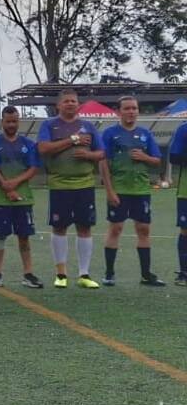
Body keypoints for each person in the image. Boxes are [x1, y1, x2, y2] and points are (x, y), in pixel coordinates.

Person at [36, 87, 104, 289]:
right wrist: (73, 140)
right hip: (59, 184)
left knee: (85, 227)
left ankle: (84, 274)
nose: (70, 104)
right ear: (58, 105)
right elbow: (43, 149)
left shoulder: (88, 126)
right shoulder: (49, 125)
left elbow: (101, 153)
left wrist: (88, 156)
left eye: (73, 101)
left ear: (78, 104)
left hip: (85, 184)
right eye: (66, 101)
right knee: (59, 227)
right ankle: (61, 274)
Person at [100, 97, 164, 286]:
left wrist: (144, 157)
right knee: (116, 228)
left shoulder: (145, 134)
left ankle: (146, 274)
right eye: (127, 108)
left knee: (143, 229)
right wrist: (109, 190)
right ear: (119, 111)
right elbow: (103, 163)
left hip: (141, 190)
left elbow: (157, 161)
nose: (131, 111)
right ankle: (109, 273)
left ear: (138, 111)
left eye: (134, 108)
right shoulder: (110, 133)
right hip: (119, 189)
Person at [0, 106, 43, 289]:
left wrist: (14, 184)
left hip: (23, 198)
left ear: (19, 122)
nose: (11, 124)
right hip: (1, 198)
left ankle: (28, 273)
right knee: (1, 236)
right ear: (2, 122)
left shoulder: (29, 144)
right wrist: (7, 187)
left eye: (14, 121)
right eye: (8, 121)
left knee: (24, 236)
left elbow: (33, 168)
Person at [170, 118, 187, 285]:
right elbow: (173, 157)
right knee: (186, 231)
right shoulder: (184, 129)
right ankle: (184, 272)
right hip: (186, 191)